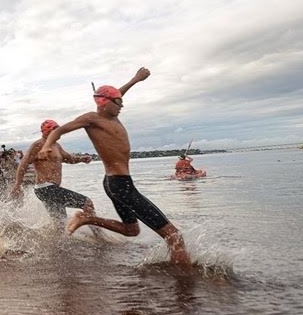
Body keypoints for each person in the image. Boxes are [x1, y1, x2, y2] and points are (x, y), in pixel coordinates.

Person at [39, 67, 191, 265]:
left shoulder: (113, 115)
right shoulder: (92, 119)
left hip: (117, 182)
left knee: (131, 230)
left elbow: (117, 94)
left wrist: (135, 80)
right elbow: (61, 130)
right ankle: (186, 286)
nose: (122, 105)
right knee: (174, 236)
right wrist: (48, 145)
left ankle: (86, 219)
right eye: (118, 102)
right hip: (120, 185)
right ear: (104, 103)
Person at [12, 120, 95, 225]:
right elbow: (23, 164)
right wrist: (17, 185)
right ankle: (99, 236)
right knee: (87, 203)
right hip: (45, 188)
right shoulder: (38, 145)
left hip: (50, 189)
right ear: (46, 131)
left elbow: (69, 159)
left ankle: (55, 240)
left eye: (58, 129)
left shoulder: (57, 146)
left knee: (60, 223)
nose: (58, 132)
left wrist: (81, 159)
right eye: (55, 129)